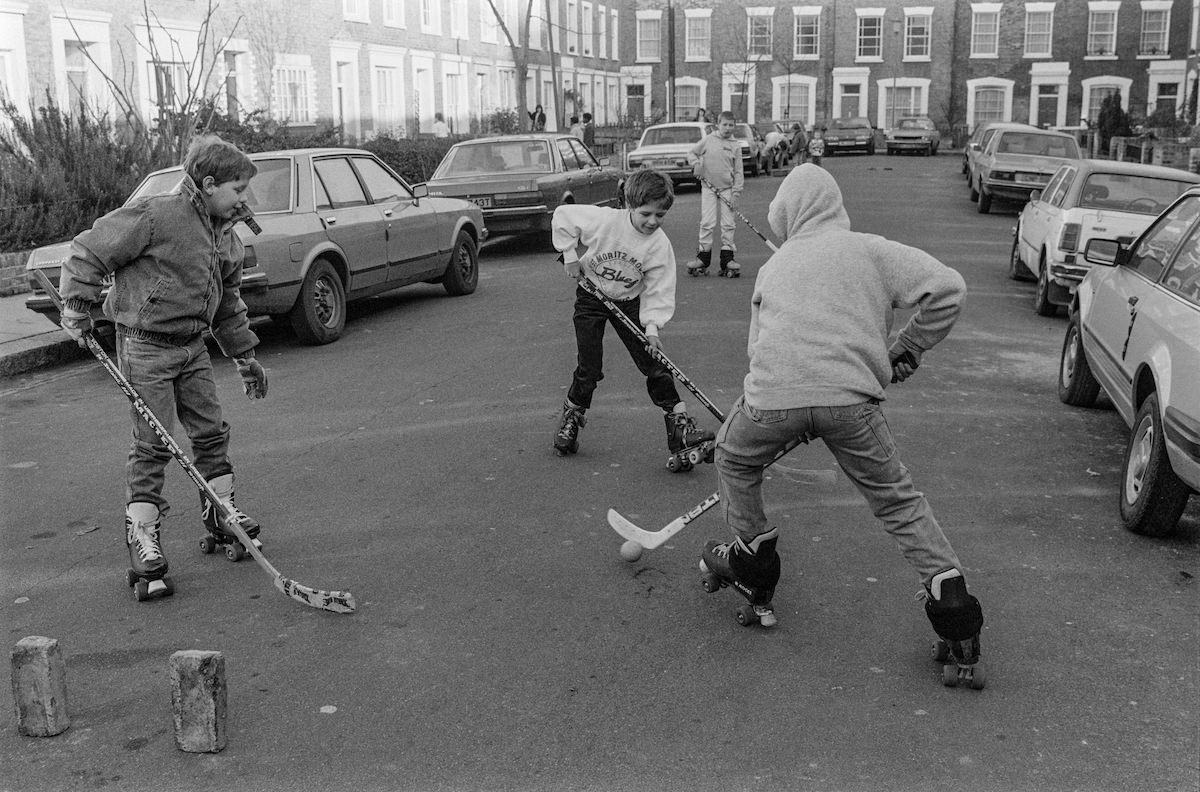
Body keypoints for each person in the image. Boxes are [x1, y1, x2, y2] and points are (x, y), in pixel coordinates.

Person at [699, 164, 984, 678]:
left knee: (734, 457)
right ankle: (952, 602)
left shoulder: (774, 266)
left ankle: (753, 556)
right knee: (897, 501)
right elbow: (948, 288)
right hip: (853, 402)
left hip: (774, 399)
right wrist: (907, 348)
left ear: (785, 215)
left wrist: (793, 407)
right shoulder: (871, 250)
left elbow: (755, 349)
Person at [57, 134, 269, 598]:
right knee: (153, 444)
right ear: (209, 184)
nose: (243, 199)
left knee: (212, 431)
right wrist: (77, 303)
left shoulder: (226, 236)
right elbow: (89, 249)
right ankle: (144, 540)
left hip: (192, 346)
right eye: (238, 189)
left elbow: (229, 302)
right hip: (144, 346)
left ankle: (221, 513)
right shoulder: (157, 215)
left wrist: (245, 355)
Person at [551, 168, 715, 468]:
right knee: (589, 367)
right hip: (592, 296)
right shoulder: (605, 221)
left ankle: (679, 428)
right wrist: (571, 255)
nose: (653, 221)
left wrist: (652, 328)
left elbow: (659, 289)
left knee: (655, 365)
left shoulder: (658, 245)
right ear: (629, 205)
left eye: (660, 215)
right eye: (646, 213)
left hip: (629, 304)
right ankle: (571, 419)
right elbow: (563, 216)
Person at [686, 110, 744, 278]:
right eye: (724, 124)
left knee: (728, 224)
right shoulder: (708, 140)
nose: (727, 128)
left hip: (727, 189)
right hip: (709, 188)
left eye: (731, 125)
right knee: (707, 222)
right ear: (718, 124)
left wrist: (736, 194)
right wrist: (696, 164)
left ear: (734, 126)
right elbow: (692, 153)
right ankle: (702, 258)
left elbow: (739, 172)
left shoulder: (736, 145)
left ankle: (727, 259)